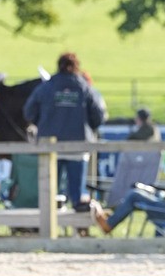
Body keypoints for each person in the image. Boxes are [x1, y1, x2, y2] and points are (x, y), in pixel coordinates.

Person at [23, 52, 107, 208]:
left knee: (49, 192)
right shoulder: (84, 88)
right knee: (77, 194)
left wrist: (42, 124)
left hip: (50, 146)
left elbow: (29, 112)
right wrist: (89, 127)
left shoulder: (46, 87)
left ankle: (49, 223)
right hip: (78, 146)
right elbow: (99, 115)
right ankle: (77, 226)